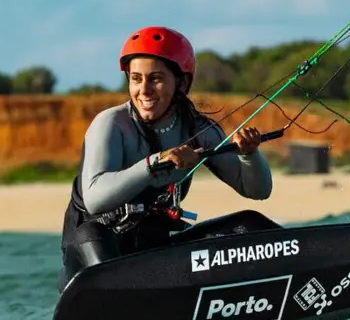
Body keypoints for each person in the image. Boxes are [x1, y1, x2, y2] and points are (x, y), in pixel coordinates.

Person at [58, 26, 277, 290]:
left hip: (153, 254)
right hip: (94, 258)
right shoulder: (111, 125)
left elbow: (257, 190)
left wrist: (249, 155)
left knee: (249, 225)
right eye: (136, 79)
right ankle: (118, 308)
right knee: (91, 233)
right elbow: (94, 199)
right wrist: (153, 164)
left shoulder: (198, 130)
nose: (144, 90)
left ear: (182, 83)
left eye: (156, 78)